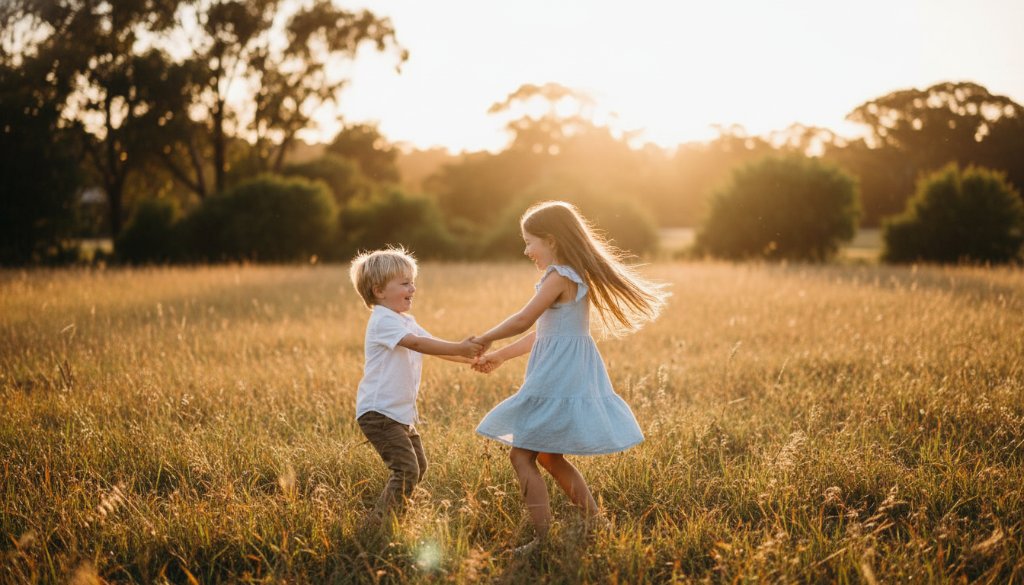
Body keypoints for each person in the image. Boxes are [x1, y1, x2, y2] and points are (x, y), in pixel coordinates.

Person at [471, 200, 668, 553]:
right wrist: (499, 355)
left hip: (557, 376)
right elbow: (543, 334)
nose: (526, 249)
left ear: (551, 240)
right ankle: (598, 524)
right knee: (548, 456)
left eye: (530, 241)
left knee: (521, 456)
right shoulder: (571, 275)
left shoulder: (559, 276)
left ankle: (543, 541)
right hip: (565, 370)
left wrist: (485, 337)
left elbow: (523, 320)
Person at [350, 246, 482, 524]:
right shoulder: (383, 321)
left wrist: (472, 358)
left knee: (418, 467)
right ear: (379, 291)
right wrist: (461, 346)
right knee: (407, 469)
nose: (413, 288)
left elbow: (433, 347)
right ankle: (379, 523)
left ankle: (394, 516)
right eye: (405, 283)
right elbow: (417, 343)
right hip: (379, 413)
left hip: (399, 414)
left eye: (413, 281)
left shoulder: (404, 320)